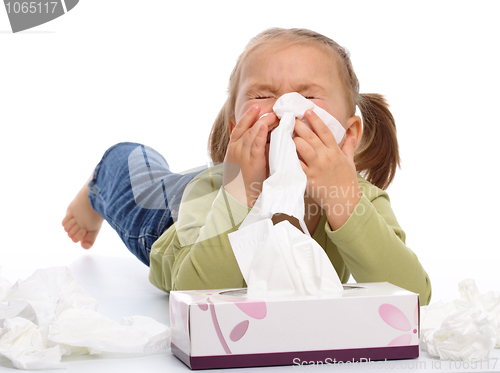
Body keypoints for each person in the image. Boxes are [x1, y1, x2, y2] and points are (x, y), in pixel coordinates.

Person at [62, 28, 432, 305]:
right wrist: (239, 192)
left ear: (348, 133)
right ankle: (96, 187)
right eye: (262, 95)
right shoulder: (213, 194)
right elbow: (192, 292)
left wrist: (343, 203)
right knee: (130, 168)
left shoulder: (359, 198)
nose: (285, 107)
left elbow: (414, 297)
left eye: (307, 96)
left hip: (241, 183)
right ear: (235, 125)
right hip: (175, 215)